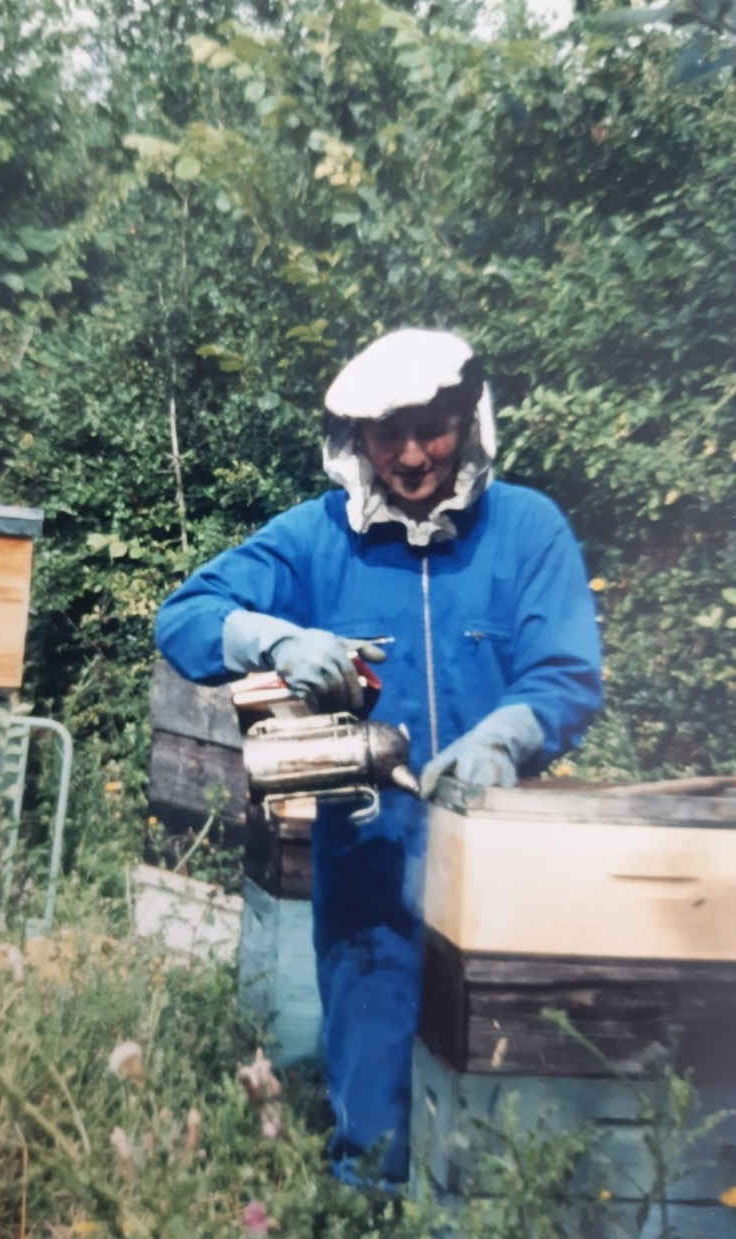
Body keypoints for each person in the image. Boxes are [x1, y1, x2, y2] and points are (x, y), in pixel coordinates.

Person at [154, 327, 603, 1184]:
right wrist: (268, 634)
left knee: (506, 1145)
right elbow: (184, 615)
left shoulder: (527, 530)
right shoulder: (318, 538)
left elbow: (567, 674)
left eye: (430, 427)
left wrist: (507, 736)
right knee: (376, 1138)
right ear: (353, 437)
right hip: (368, 877)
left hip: (510, 882)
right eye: (385, 432)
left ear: (468, 422)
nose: (409, 454)